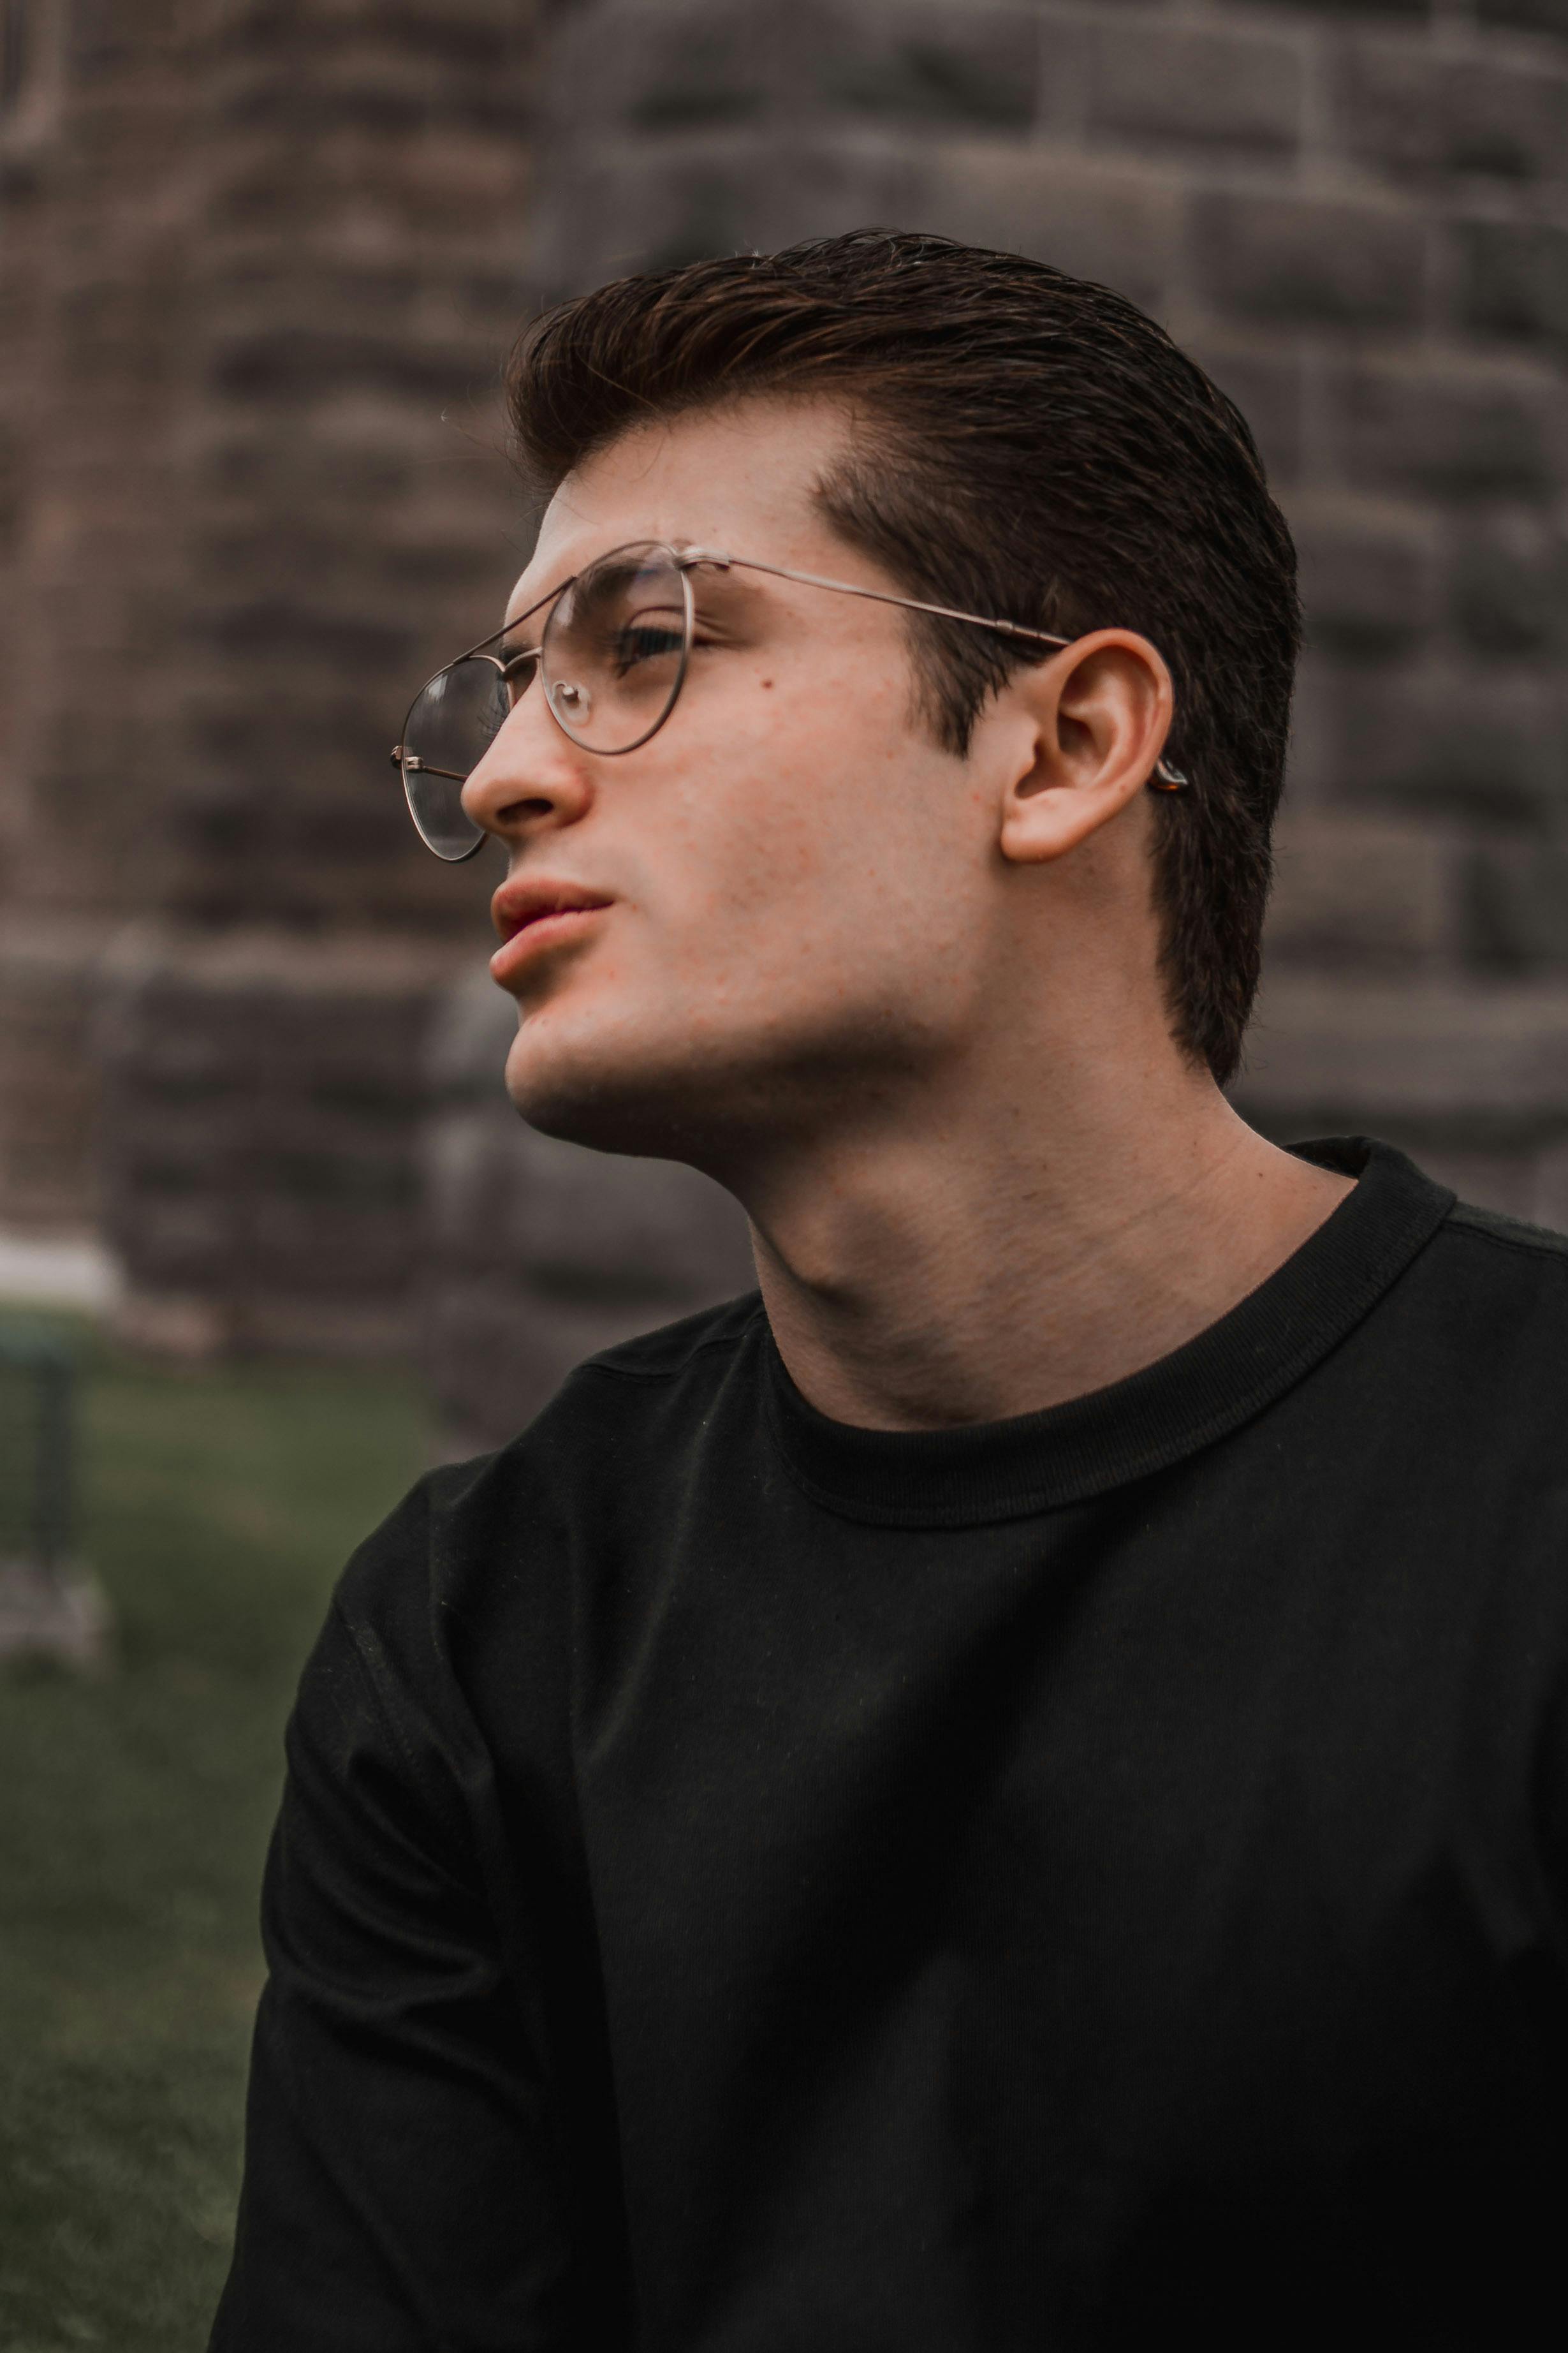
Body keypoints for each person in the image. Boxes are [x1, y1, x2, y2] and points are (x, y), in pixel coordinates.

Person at [209, 232, 1568, 2350]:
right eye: (501, 691)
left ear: (1064, 744)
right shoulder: (480, 1632)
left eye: (642, 640)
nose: (502, 779)